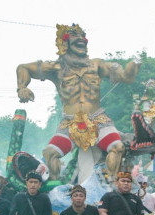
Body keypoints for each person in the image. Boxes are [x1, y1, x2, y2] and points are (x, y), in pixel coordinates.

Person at [16, 24, 140, 179]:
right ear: (64, 43)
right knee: (50, 153)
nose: (81, 39)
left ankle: (111, 186)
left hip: (98, 120)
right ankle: (55, 185)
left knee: (117, 147)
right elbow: (23, 68)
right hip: (70, 123)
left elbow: (123, 76)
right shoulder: (56, 68)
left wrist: (130, 71)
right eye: (75, 35)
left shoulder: (97, 65)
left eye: (83, 36)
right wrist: (21, 87)